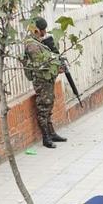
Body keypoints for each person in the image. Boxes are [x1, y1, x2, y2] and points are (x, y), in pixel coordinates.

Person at [23, 18, 66, 149]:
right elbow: (40, 64)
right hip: (41, 80)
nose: (45, 32)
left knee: (49, 104)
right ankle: (46, 138)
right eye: (43, 30)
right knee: (43, 107)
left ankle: (51, 133)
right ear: (38, 30)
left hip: (47, 78)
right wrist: (55, 68)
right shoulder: (32, 44)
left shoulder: (38, 42)